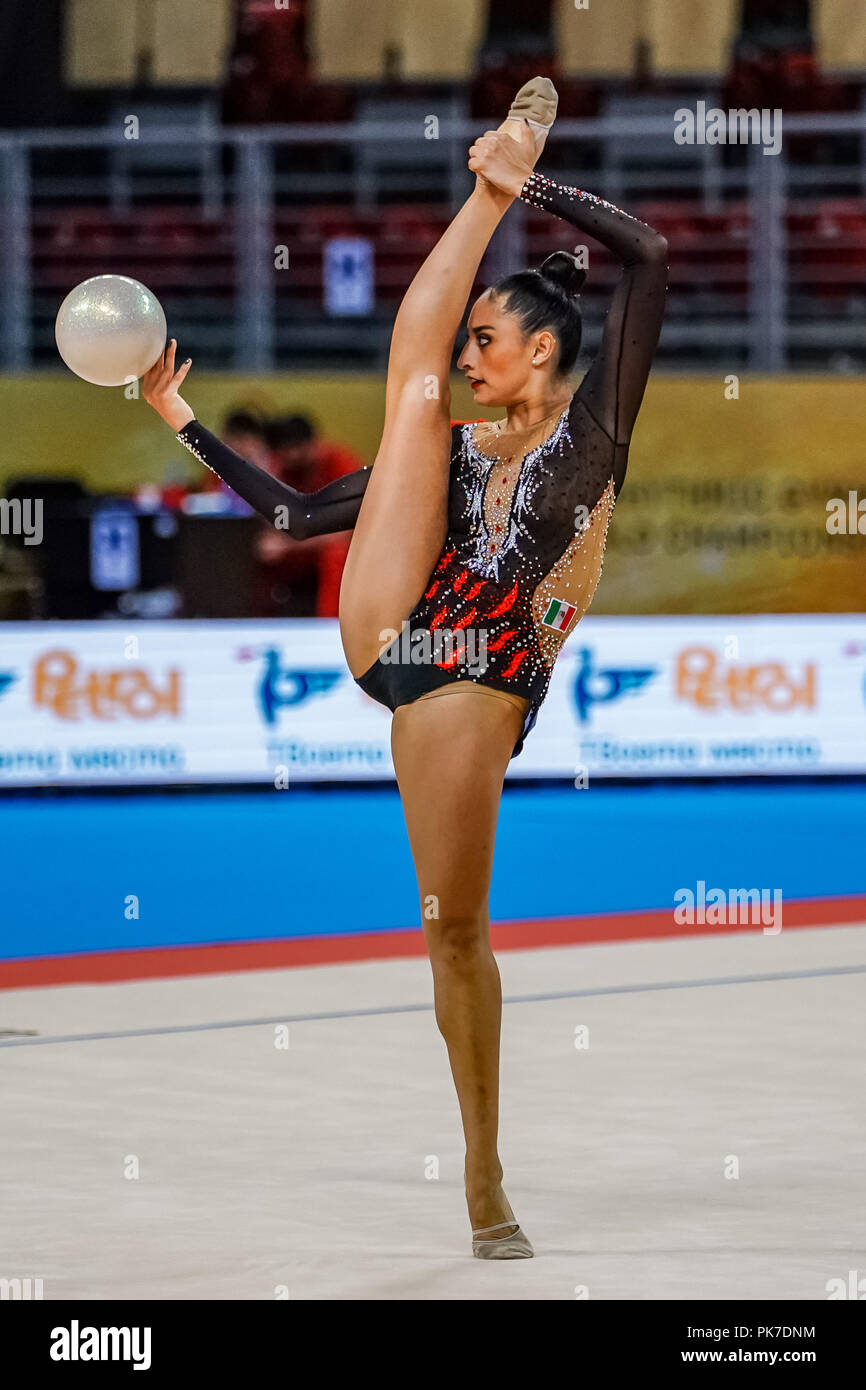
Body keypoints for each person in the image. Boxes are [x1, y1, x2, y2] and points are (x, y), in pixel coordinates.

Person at [142, 78, 668, 1258]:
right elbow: (284, 505)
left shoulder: (594, 435)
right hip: (400, 637)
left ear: (542, 348)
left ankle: (483, 1168)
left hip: (486, 674)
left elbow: (646, 253)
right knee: (410, 395)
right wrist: (176, 415)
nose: (473, 354)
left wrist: (532, 181)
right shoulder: (455, 445)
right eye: (467, 333)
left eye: (488, 337)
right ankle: (479, 193)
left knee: (454, 931)